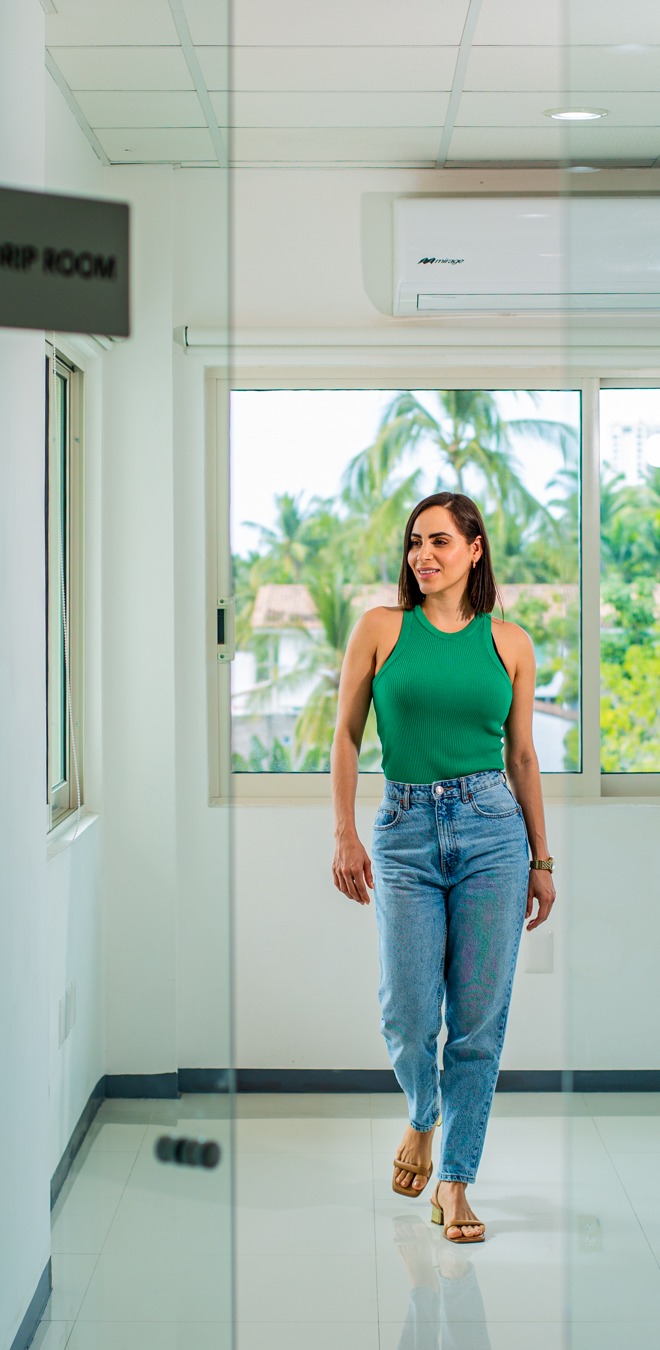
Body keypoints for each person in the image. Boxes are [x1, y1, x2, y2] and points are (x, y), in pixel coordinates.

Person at [330, 491, 557, 1243]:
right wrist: (344, 834)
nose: (422, 556)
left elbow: (522, 756)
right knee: (408, 1012)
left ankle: (455, 1183)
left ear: (475, 549)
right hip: (403, 831)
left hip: (494, 831)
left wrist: (542, 858)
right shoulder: (380, 629)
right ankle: (423, 1118)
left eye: (439, 542)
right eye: (414, 544)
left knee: (479, 1025)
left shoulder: (511, 643)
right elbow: (346, 738)